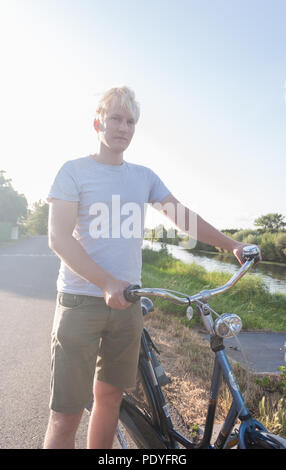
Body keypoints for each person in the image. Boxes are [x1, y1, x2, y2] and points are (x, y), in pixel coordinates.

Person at [43, 85, 258, 449]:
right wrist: (107, 281)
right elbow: (59, 238)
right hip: (80, 301)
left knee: (109, 401)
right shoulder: (73, 171)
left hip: (127, 306)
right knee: (66, 415)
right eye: (115, 118)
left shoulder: (143, 176)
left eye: (130, 121)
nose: (123, 128)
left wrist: (233, 245)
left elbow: (182, 216)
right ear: (98, 122)